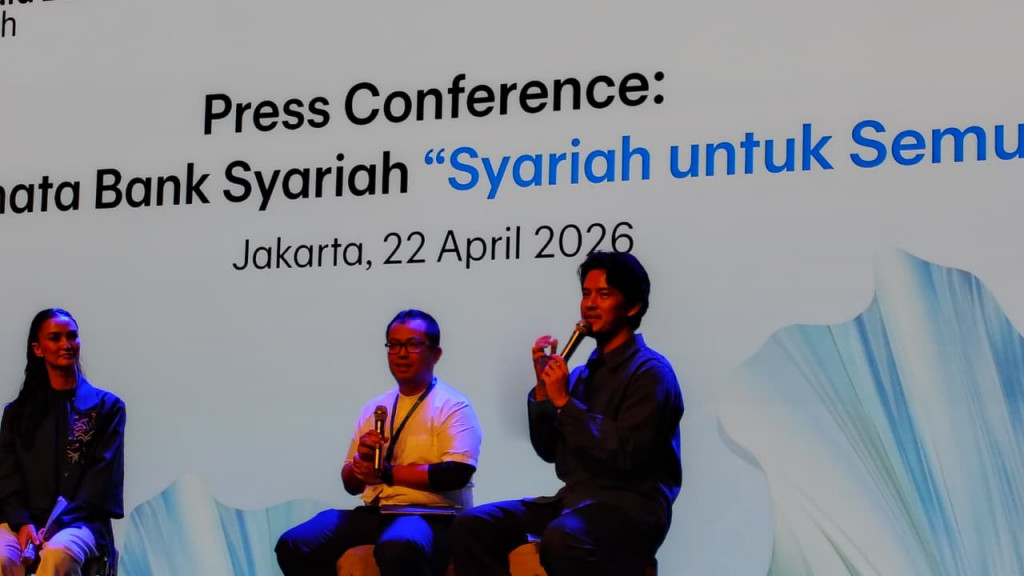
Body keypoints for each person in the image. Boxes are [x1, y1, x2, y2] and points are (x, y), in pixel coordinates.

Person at [451, 251, 684, 576]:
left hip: (631, 508)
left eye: (604, 294)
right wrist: (543, 393)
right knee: (472, 525)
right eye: (586, 294)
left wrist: (564, 402)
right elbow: (549, 450)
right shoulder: (581, 375)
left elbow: (627, 453)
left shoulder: (651, 372)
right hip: (575, 502)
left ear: (632, 307)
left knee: (563, 539)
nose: (590, 305)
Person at [276, 309, 483, 576]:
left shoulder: (453, 406)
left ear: (436, 354)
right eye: (394, 345)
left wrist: (386, 473)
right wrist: (361, 463)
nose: (401, 354)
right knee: (295, 543)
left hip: (433, 516)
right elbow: (350, 484)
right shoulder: (376, 407)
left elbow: (455, 473)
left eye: (412, 344)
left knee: (397, 546)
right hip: (379, 512)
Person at [0, 309, 125, 576]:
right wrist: (22, 523)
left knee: (58, 552)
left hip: (80, 521)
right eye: (55, 338)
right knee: (2, 557)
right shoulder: (17, 413)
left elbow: (101, 482)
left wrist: (57, 524)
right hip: (23, 522)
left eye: (72, 336)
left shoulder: (107, 408)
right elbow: (7, 477)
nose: (66, 344)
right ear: (38, 349)